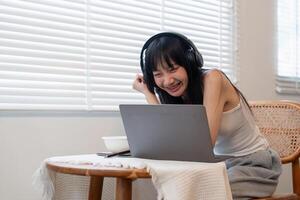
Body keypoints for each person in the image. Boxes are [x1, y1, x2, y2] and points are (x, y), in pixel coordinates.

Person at [132, 32, 282, 199]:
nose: (167, 81)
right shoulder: (176, 94)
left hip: (255, 165)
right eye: (158, 74)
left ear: (189, 61)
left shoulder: (213, 79)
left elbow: (203, 146)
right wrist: (148, 92)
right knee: (176, 188)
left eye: (172, 69)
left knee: (197, 192)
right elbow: (170, 141)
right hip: (219, 165)